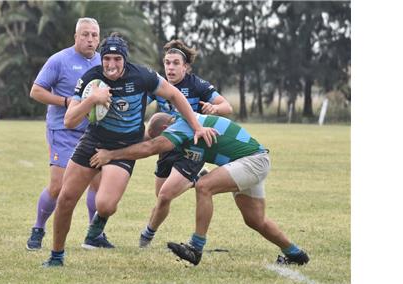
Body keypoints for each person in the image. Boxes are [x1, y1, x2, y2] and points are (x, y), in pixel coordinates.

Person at [42, 33, 217, 267]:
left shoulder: (142, 76)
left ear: (125, 60)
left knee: (105, 205)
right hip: (93, 141)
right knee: (65, 198)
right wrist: (92, 99)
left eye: (117, 59)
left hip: (125, 147)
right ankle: (56, 256)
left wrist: (197, 126)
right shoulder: (91, 79)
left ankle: (96, 228)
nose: (111, 64)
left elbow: (175, 95)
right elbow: (70, 121)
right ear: (101, 59)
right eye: (107, 59)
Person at [90, 112, 310, 266]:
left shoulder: (182, 125)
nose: (163, 142)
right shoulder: (186, 125)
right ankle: (295, 254)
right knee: (255, 220)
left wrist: (111, 155)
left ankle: (196, 248)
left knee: (204, 187)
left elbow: (151, 147)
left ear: (166, 129)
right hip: (251, 159)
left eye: (162, 136)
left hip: (253, 160)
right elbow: (149, 143)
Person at [140, 40, 233, 248]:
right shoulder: (159, 85)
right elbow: (139, 105)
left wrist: (214, 109)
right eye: (167, 63)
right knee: (161, 197)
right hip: (167, 145)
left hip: (192, 146)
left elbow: (227, 106)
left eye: (175, 63)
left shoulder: (197, 85)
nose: (170, 68)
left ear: (186, 67)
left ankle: (146, 236)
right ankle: (194, 179)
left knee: (165, 194)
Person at [26, 17, 103, 251]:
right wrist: (66, 101)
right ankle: (38, 228)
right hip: (63, 129)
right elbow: (36, 91)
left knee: (97, 183)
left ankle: (94, 235)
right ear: (76, 37)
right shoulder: (59, 60)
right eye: (85, 35)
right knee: (58, 186)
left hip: (93, 132)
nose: (90, 40)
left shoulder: (103, 62)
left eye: (94, 36)